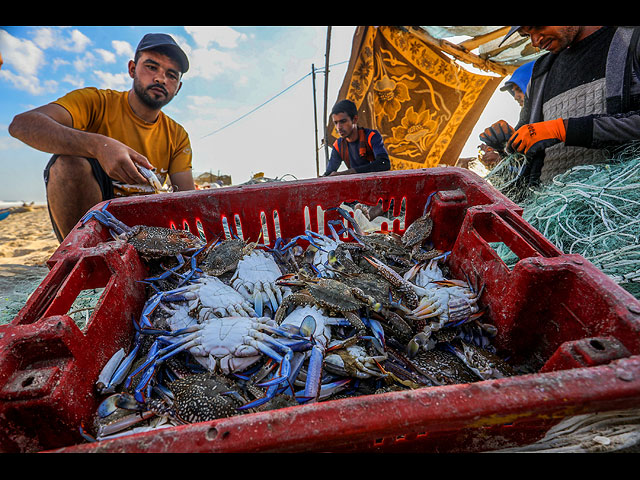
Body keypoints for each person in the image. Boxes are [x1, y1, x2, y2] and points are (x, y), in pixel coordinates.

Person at [8, 33, 195, 241]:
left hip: (150, 233)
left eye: (171, 75)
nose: (160, 78)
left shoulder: (177, 135)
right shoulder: (97, 103)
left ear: (178, 88)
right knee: (68, 162)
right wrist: (99, 146)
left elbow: (188, 200)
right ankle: (85, 258)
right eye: (151, 67)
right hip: (96, 224)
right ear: (132, 69)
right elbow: (22, 124)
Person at [479, 26, 640, 189]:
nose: (535, 41)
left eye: (536, 27)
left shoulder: (631, 41)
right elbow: (528, 151)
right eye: (526, 35)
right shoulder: (540, 73)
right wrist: (507, 145)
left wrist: (562, 130)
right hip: (550, 208)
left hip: (621, 202)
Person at [473, 61, 535, 170]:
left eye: (519, 90)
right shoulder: (525, 120)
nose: (515, 97)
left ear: (532, 86)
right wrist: (499, 152)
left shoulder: (548, 115)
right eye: (513, 92)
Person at [323, 99, 390, 176]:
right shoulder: (338, 145)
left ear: (354, 119)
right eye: (336, 123)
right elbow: (329, 174)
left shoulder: (371, 137)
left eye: (343, 121)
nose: (338, 127)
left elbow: (384, 163)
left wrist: (348, 172)